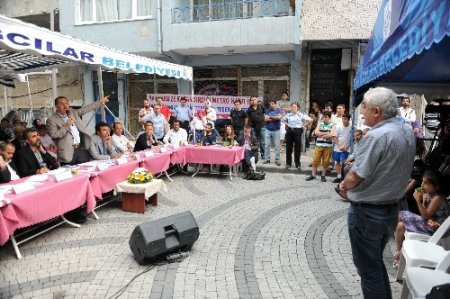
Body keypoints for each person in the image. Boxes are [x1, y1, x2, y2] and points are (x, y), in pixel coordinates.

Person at [338, 87, 415, 299]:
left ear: (378, 112)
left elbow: (355, 177)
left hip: (368, 213)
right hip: (390, 209)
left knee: (368, 270)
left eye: (365, 108)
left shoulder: (376, 136)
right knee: (374, 262)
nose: (362, 112)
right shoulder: (406, 130)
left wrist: (343, 186)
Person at [394, 170, 450, 268]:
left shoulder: (438, 198)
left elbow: (425, 215)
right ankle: (398, 253)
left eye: (426, 183)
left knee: (402, 214)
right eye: (422, 182)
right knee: (400, 226)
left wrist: (417, 200)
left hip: (437, 230)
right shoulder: (426, 194)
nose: (422, 185)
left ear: (436, 187)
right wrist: (422, 201)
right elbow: (427, 215)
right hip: (429, 223)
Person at [47, 95, 109, 165]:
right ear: (56, 106)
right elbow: (54, 135)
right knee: (71, 174)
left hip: (81, 148)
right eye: (62, 104)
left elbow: (85, 109)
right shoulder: (51, 120)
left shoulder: (72, 112)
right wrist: (67, 126)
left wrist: (100, 102)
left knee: (85, 171)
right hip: (67, 152)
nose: (65, 105)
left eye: (67, 103)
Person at [306, 111, 335, 182]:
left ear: (329, 118)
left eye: (326, 117)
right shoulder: (320, 123)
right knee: (315, 160)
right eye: (323, 117)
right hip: (319, 145)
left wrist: (321, 134)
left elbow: (331, 134)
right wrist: (325, 133)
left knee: (325, 161)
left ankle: (323, 175)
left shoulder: (333, 125)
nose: (324, 118)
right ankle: (313, 175)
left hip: (328, 146)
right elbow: (316, 132)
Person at [282, 102, 311, 171]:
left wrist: (304, 125)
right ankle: (288, 163)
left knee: (297, 148)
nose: (293, 108)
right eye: (292, 107)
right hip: (289, 130)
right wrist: (287, 124)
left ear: (298, 108)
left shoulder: (301, 114)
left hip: (297, 130)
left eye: (294, 107)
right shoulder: (288, 114)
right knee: (288, 147)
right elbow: (283, 119)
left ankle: (297, 164)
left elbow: (310, 120)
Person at [332, 113, 352, 183]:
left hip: (347, 148)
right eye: (343, 119)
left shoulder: (352, 127)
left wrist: (347, 147)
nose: (344, 120)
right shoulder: (338, 126)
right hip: (338, 148)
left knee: (343, 163)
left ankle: (344, 178)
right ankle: (339, 176)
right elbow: (334, 137)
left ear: (349, 120)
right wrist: (339, 146)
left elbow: (353, 139)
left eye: (345, 119)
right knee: (337, 162)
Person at [263, 99, 283, 166]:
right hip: (268, 129)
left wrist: (270, 117)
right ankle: (267, 159)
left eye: (272, 103)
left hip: (276, 130)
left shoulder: (279, 110)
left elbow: (279, 117)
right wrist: (275, 118)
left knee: (277, 146)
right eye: (270, 104)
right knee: (266, 145)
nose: (271, 105)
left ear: (275, 104)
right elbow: (265, 119)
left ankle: (277, 160)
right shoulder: (267, 110)